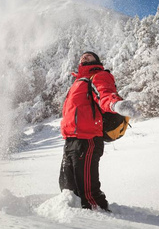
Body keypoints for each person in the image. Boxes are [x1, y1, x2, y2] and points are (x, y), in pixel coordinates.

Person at [59, 51, 139, 211]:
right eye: (82, 56)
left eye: (89, 56)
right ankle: (74, 221)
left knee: (88, 193)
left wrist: (115, 105)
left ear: (97, 61)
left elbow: (105, 94)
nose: (84, 56)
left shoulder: (98, 76)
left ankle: (101, 221)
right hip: (70, 140)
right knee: (68, 190)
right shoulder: (77, 83)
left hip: (87, 140)